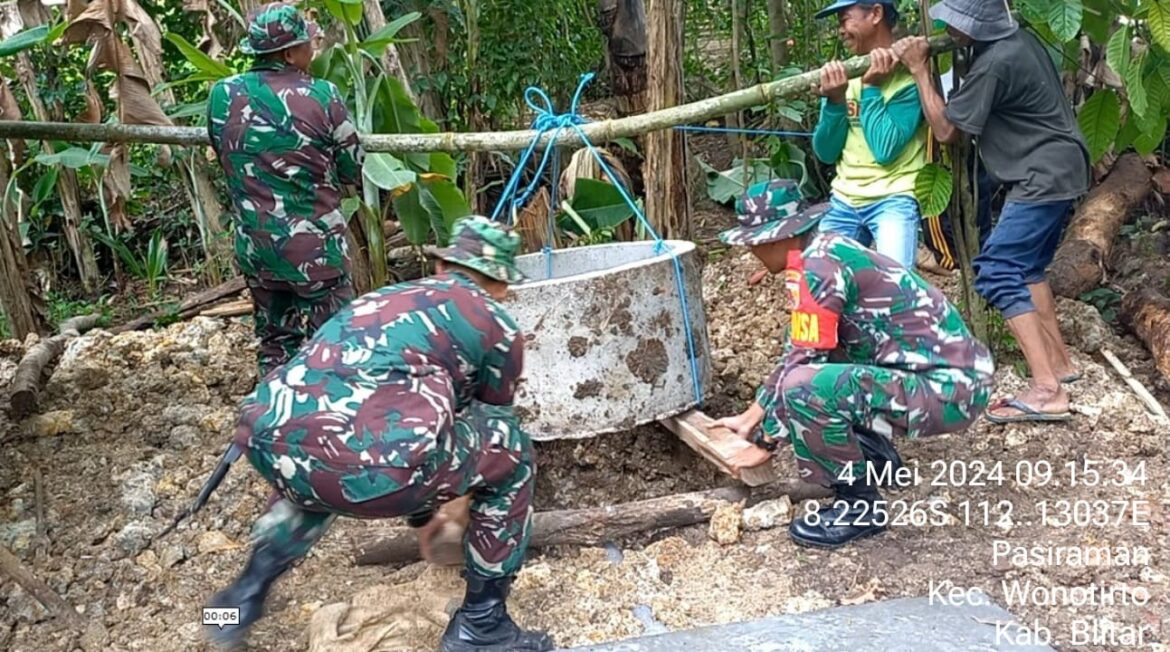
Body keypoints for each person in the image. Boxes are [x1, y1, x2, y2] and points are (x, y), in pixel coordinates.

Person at [202, 216, 554, 652]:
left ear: (444, 268)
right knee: (511, 449)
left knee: (319, 458)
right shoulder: (496, 325)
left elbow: (376, 409)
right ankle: (483, 628)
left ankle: (235, 604)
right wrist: (440, 513)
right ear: (501, 285)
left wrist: (425, 516)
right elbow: (483, 424)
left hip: (268, 442)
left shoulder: (383, 300)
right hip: (378, 468)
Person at [714, 179, 995, 549]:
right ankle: (876, 459)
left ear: (780, 236)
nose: (751, 248)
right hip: (942, 382)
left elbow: (804, 366)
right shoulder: (825, 251)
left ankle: (858, 505)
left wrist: (765, 444)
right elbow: (798, 348)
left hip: (949, 392)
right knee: (821, 363)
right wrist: (751, 417)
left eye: (756, 240)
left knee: (807, 387)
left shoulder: (819, 269)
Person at [892, 0, 1091, 423]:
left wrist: (919, 71)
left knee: (997, 269)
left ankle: (1046, 389)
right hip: (1062, 165)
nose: (951, 28)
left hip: (1043, 172)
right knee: (1029, 268)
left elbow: (946, 130)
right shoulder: (1019, 39)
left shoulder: (996, 61)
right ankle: (1059, 367)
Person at [208, 2, 364, 377]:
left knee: (276, 344)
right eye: (308, 42)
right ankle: (334, 423)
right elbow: (351, 167)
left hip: (257, 249)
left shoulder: (222, 94)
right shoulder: (323, 95)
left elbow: (221, 150)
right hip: (316, 251)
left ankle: (275, 417)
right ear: (290, 52)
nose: (314, 46)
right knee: (338, 345)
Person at [810, 0, 929, 269]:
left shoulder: (908, 77)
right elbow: (826, 153)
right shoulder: (844, 75)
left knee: (895, 285)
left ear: (876, 14)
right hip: (843, 198)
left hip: (895, 197)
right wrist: (835, 102)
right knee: (822, 283)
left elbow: (885, 150)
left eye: (845, 20)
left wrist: (871, 88)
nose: (841, 30)